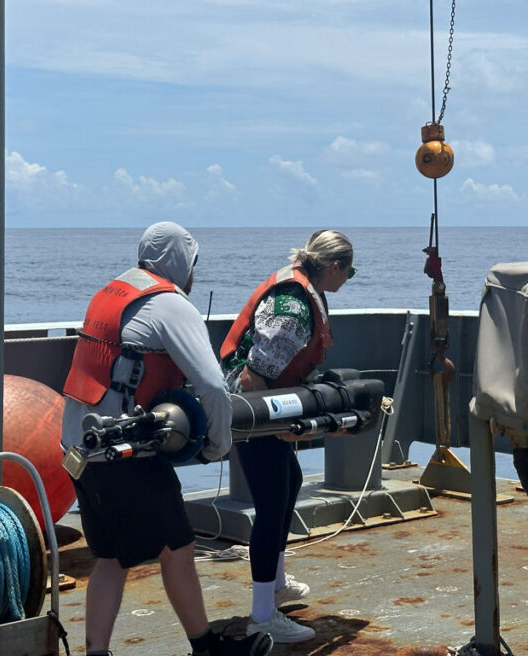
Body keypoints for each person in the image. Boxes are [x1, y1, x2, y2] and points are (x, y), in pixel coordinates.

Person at [60, 221, 273, 656]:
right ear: (180, 260)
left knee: (111, 557)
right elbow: (213, 387)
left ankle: (96, 652)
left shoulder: (111, 292)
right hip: (125, 450)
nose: (193, 273)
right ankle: (206, 647)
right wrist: (219, 443)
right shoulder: (170, 305)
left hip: (79, 446)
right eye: (192, 263)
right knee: (178, 545)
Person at [219, 229, 355, 644]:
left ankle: (276, 583)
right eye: (349, 273)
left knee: (290, 483)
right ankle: (262, 617)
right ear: (334, 267)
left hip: (264, 405)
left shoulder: (303, 287)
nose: (347, 281)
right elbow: (253, 376)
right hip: (251, 407)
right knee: (272, 501)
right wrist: (274, 428)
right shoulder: (294, 307)